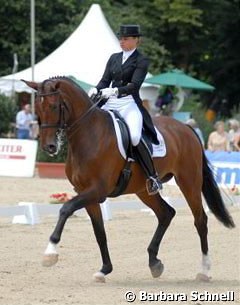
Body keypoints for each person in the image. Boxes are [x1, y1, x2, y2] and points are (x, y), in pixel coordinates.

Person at [88, 24, 162, 195]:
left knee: (135, 136)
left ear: (137, 40)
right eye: (120, 38)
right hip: (109, 102)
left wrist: (116, 90)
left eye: (126, 38)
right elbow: (104, 81)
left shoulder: (141, 60)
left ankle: (153, 177)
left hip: (128, 103)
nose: (122, 41)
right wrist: (95, 88)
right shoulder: (113, 57)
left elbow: (134, 85)